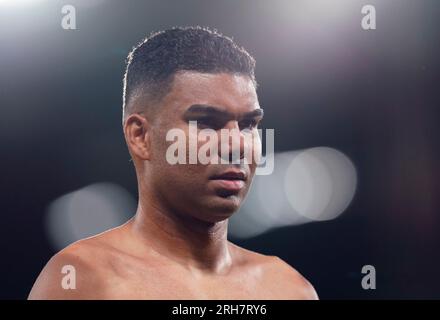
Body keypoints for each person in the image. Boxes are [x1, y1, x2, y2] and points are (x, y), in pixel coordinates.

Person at [29, 26, 318, 299]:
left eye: (248, 124)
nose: (237, 145)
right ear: (141, 136)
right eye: (206, 122)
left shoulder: (289, 289)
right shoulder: (83, 281)